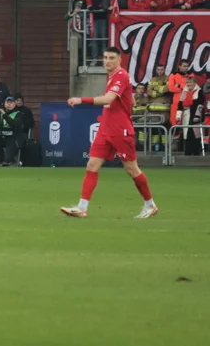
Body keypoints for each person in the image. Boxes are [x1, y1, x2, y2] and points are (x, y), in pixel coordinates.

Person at [61, 47, 157, 219]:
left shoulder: (121, 75)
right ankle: (82, 207)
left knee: (131, 168)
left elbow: (108, 99)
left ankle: (150, 205)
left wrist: (81, 99)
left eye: (111, 58)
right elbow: (131, 99)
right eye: (105, 57)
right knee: (92, 165)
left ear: (120, 59)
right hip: (106, 129)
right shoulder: (113, 76)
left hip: (120, 130)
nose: (107, 61)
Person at [0, 96, 26, 166]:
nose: (9, 104)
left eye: (11, 103)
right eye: (7, 102)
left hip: (15, 137)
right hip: (2, 136)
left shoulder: (18, 114)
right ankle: (0, 159)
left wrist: (4, 115)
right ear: (4, 104)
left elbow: (14, 124)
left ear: (14, 104)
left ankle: (7, 161)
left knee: (10, 141)